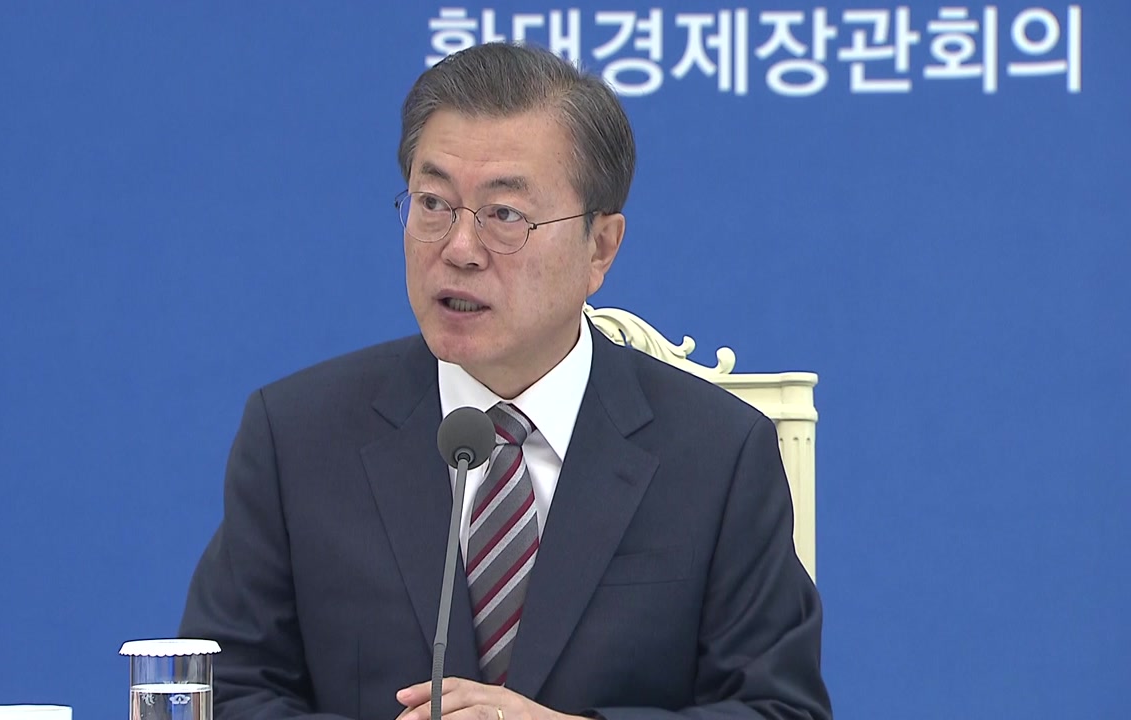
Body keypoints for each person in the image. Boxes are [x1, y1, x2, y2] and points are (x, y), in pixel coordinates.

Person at [180, 42, 831, 720]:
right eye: (433, 203)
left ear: (600, 247)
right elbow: (221, 696)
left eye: (505, 215)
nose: (458, 249)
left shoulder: (718, 455)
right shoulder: (298, 438)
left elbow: (780, 710)